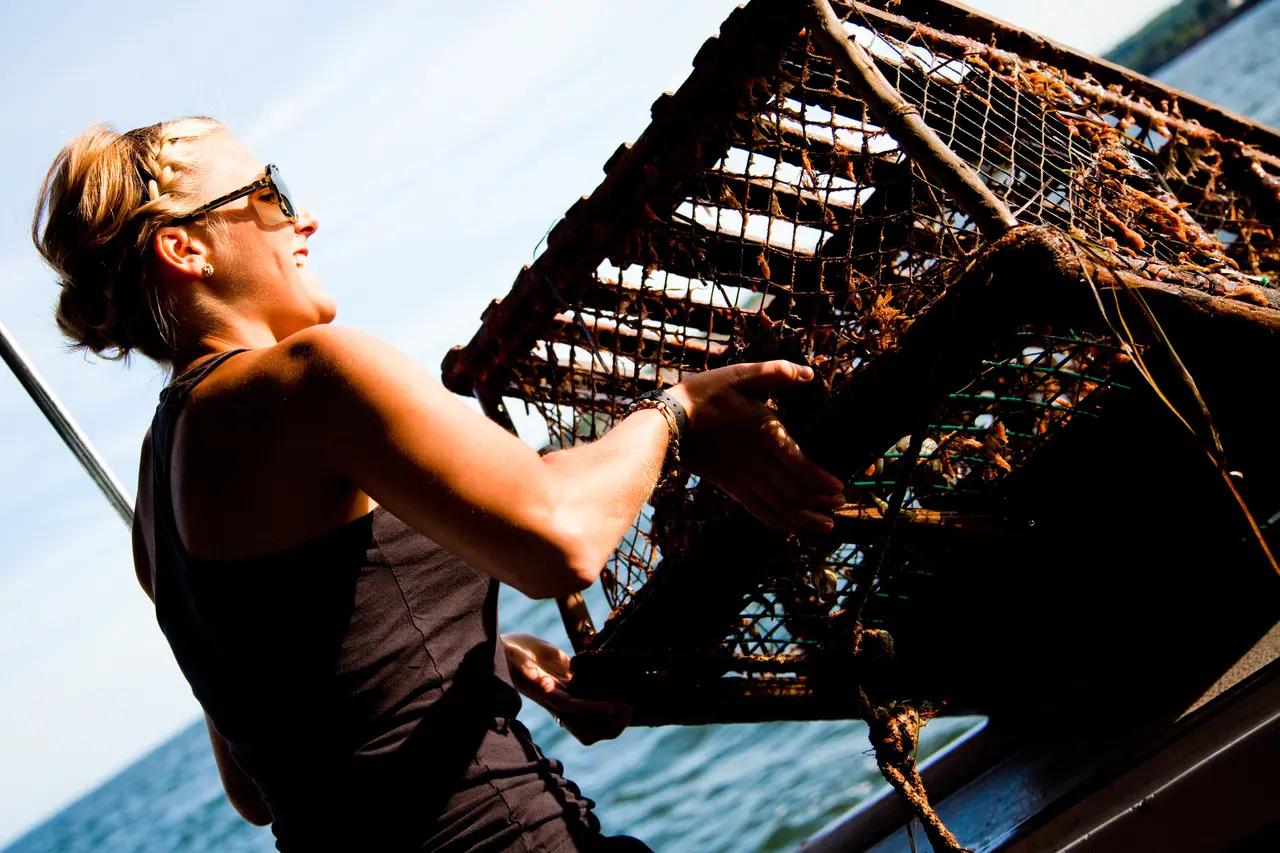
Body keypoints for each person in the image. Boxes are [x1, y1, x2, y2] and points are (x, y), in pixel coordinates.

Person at [32, 116, 846, 851]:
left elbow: (257, 781)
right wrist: (677, 414)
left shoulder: (156, 502)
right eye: (270, 190)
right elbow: (561, 535)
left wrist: (478, 653)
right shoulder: (310, 375)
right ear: (187, 248)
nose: (303, 216)